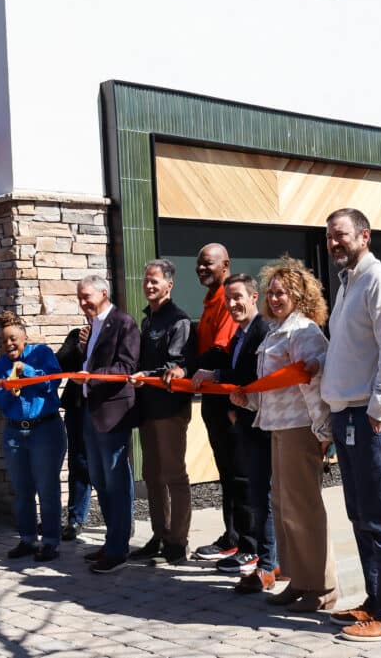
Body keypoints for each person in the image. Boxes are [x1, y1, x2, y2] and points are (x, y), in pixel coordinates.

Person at [321, 208, 381, 642]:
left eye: (340, 235)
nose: (334, 243)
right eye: (329, 237)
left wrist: (378, 408)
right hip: (348, 416)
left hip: (373, 414)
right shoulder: (345, 287)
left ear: (364, 235)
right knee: (360, 514)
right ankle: (375, 602)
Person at [233, 257, 335, 611]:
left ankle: (322, 588)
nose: (275, 298)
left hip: (299, 428)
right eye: (273, 292)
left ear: (300, 295)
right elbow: (274, 389)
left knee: (303, 508)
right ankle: (298, 579)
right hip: (277, 426)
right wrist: (246, 400)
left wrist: (323, 432)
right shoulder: (277, 330)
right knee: (284, 507)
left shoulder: (304, 331)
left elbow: (314, 383)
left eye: (284, 293)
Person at [192, 274, 275, 590]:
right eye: (228, 299)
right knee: (249, 489)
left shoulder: (262, 330)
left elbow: (254, 375)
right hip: (244, 420)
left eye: (238, 297)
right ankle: (260, 555)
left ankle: (260, 558)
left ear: (254, 297)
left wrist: (217, 374)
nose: (232, 304)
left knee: (259, 494)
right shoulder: (241, 335)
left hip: (260, 425)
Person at [69, 275, 139, 574]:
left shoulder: (124, 322)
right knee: (99, 479)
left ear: (104, 292)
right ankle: (112, 540)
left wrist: (90, 378)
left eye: (87, 296)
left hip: (112, 413)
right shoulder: (93, 324)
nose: (82, 302)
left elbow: (126, 367)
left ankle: (118, 549)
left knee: (115, 482)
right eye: (79, 297)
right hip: (90, 411)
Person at [129, 260, 194, 566]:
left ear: (169, 285)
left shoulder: (178, 321)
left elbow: (175, 364)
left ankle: (178, 542)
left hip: (170, 409)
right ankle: (159, 534)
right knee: (151, 475)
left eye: (155, 281)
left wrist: (147, 374)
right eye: (146, 280)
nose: (149, 285)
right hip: (147, 409)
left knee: (174, 476)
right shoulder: (147, 320)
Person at [0, 312, 67, 563]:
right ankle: (27, 539)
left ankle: (50, 542)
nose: (9, 345)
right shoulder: (0, 364)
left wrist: (27, 372)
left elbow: (51, 384)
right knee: (22, 490)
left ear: (25, 338)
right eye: (4, 341)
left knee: (47, 488)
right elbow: (0, 403)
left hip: (44, 429)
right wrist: (6, 390)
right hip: (14, 432)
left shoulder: (42, 353)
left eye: (13, 339)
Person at [189, 244, 241, 561]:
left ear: (226, 264)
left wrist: (188, 368)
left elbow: (220, 351)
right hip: (212, 399)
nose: (201, 268)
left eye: (207, 263)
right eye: (199, 263)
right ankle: (233, 535)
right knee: (226, 471)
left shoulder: (227, 299)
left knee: (237, 471)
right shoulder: (210, 301)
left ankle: (240, 539)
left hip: (228, 401)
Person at [55, 330, 91, 541]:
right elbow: (61, 363)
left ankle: (123, 519)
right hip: (77, 406)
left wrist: (92, 349)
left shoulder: (117, 330)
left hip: (106, 408)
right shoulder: (78, 335)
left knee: (112, 466)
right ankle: (75, 519)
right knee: (78, 461)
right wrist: (81, 347)